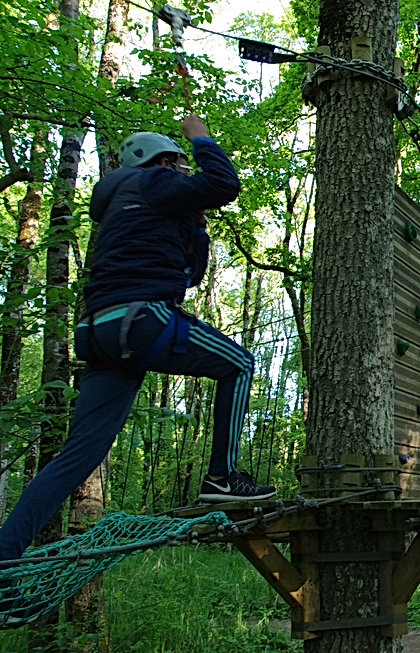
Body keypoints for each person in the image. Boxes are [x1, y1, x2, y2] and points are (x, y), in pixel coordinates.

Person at [0, 114, 275, 566]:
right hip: (140, 318)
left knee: (77, 457)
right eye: (177, 163)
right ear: (158, 160)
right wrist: (201, 137)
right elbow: (224, 183)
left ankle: (5, 557)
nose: (182, 172)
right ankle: (221, 478)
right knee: (239, 364)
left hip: (98, 331)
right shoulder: (152, 180)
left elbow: (189, 273)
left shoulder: (125, 206)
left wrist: (197, 225)